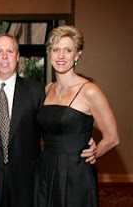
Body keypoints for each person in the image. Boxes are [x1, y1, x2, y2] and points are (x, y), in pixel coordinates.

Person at [0, 33, 97, 207]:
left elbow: (54, 124)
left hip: (28, 181)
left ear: (17, 57)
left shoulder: (38, 91)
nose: (4, 57)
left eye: (9, 51)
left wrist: (82, 139)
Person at [33, 25, 120, 207]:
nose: (61, 56)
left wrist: (95, 153)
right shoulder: (47, 89)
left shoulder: (90, 91)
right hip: (46, 169)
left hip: (75, 173)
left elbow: (112, 138)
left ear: (78, 54)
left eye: (68, 50)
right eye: (56, 50)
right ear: (50, 53)